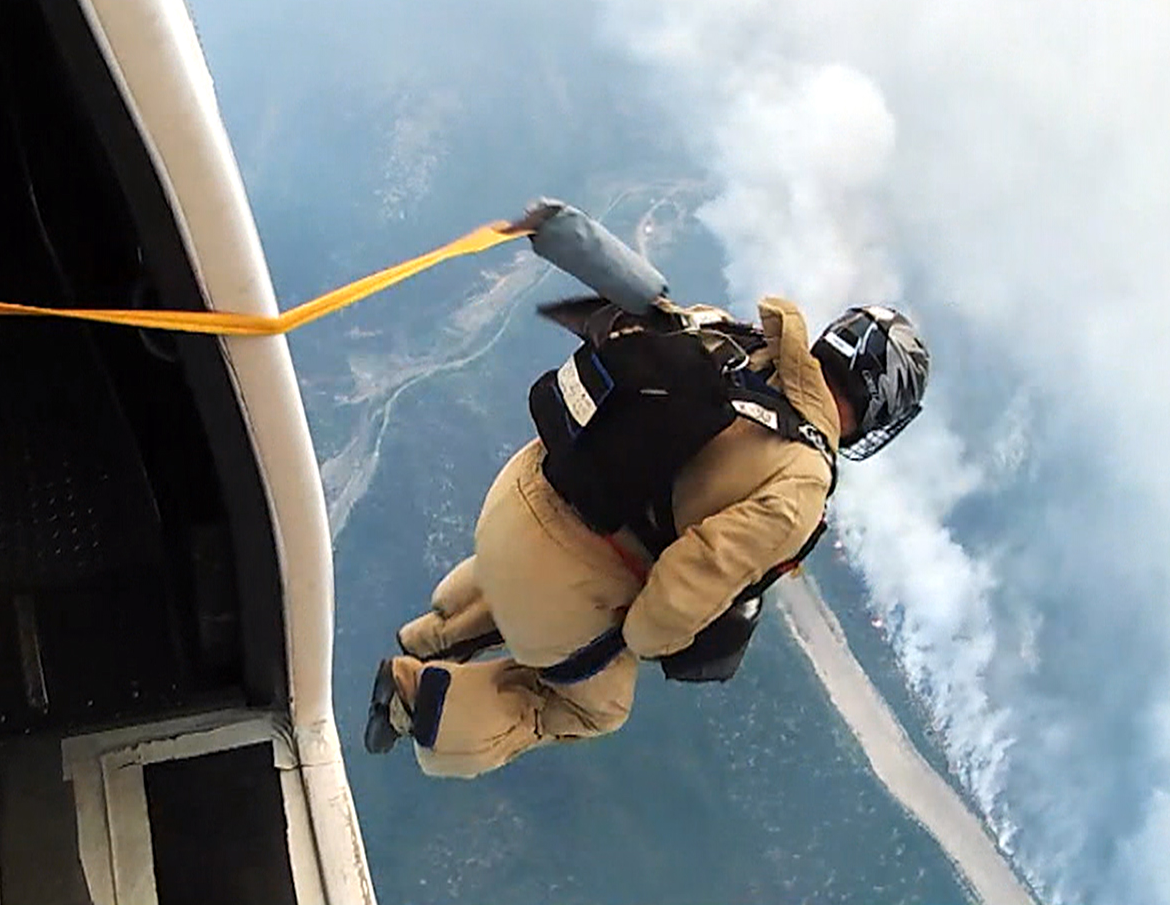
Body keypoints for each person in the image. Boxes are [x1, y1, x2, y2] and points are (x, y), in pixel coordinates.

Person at [364, 199, 930, 779]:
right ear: (881, 414)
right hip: (556, 588)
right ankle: (418, 704)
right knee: (597, 701)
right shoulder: (802, 481)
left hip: (514, 496)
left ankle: (431, 637)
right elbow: (673, 601)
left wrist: (559, 230)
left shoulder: (727, 335)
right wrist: (652, 643)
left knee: (555, 574)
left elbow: (643, 307)